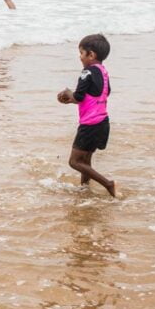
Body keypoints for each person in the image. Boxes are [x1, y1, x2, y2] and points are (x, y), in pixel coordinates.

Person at [57, 34, 116, 197]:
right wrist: (75, 98)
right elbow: (101, 94)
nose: (80, 57)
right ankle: (84, 188)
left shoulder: (86, 73)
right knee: (86, 160)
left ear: (91, 55)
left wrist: (68, 95)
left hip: (89, 124)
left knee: (74, 162)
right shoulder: (103, 72)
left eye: (82, 53)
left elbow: (79, 97)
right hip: (102, 122)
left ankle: (107, 183)